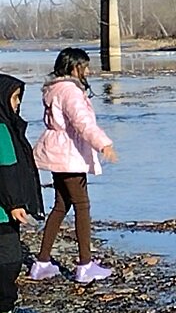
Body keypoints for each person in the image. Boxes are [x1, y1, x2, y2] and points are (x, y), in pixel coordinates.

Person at [29, 48, 118, 284]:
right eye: (84, 66)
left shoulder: (54, 88)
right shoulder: (70, 92)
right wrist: (103, 144)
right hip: (69, 154)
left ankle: (42, 262)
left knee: (60, 206)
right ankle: (85, 265)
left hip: (57, 152)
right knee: (82, 206)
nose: (87, 71)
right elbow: (82, 122)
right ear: (73, 67)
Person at [0, 74, 44, 313]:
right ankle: (4, 310)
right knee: (10, 258)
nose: (18, 104)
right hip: (3, 210)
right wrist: (15, 203)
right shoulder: (2, 128)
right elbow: (6, 169)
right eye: (15, 98)